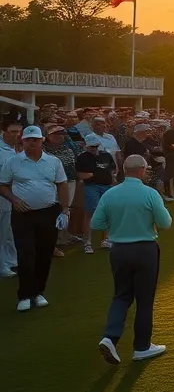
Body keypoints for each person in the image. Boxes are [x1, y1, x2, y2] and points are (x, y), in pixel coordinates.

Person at [95, 155, 173, 363]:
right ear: (141, 170)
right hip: (145, 249)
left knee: (121, 295)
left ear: (124, 170)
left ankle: (110, 337)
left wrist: (117, 226)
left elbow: (97, 223)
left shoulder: (110, 194)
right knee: (144, 300)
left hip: (119, 249)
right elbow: (165, 223)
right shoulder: (150, 193)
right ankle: (142, 347)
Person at [0, 126, 70, 312]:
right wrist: (14, 200)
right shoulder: (13, 162)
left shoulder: (53, 162)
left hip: (48, 212)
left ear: (42, 141)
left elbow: (62, 185)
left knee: (44, 253)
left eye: (35, 140)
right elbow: (3, 185)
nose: (31, 143)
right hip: (23, 214)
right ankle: (24, 294)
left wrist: (65, 210)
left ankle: (38, 292)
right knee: (25, 254)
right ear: (22, 141)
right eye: (28, 140)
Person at [77, 133, 118, 254]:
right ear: (86, 146)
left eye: (95, 146)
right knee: (90, 213)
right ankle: (87, 242)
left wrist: (113, 178)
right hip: (91, 187)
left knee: (107, 212)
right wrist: (90, 175)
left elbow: (112, 168)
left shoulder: (106, 155)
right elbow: (79, 174)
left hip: (107, 186)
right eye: (91, 146)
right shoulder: (82, 157)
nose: (93, 149)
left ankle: (105, 239)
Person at [43, 125, 79, 254]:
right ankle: (53, 241)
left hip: (69, 181)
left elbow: (73, 164)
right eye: (57, 134)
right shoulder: (44, 150)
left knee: (66, 209)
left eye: (62, 134)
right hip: (53, 184)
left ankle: (63, 236)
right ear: (49, 136)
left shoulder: (68, 149)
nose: (60, 137)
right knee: (54, 210)